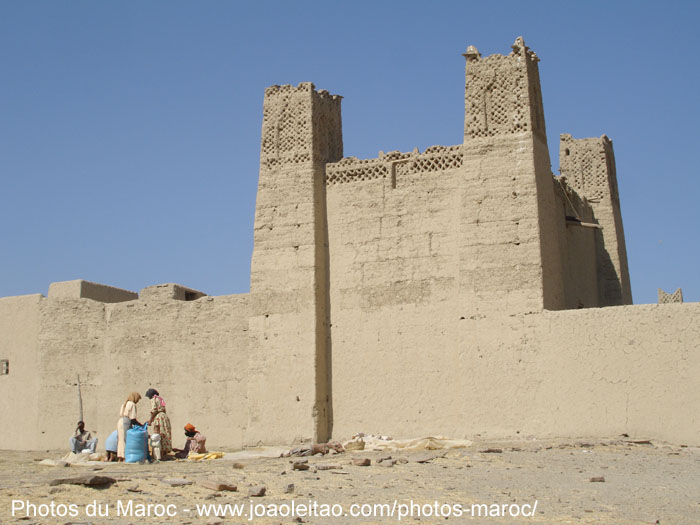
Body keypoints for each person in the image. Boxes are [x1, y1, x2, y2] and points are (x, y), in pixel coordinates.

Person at [145, 388, 172, 457]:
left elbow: (154, 410)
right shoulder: (160, 399)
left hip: (159, 417)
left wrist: (150, 420)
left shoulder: (153, 399)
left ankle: (160, 454)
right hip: (164, 417)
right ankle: (165, 452)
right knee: (165, 433)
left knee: (159, 435)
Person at [117, 392, 141, 461]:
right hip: (126, 421)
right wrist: (140, 425)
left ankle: (120, 456)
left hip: (120, 421)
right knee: (126, 439)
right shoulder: (132, 404)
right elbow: (133, 418)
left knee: (120, 439)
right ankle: (125, 456)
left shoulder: (124, 404)